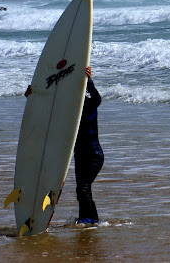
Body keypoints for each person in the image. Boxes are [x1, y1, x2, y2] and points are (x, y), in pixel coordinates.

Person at [75, 66, 104, 225]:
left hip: (94, 155)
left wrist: (88, 81)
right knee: (82, 190)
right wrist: (32, 97)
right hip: (79, 155)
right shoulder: (67, 113)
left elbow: (97, 99)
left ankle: (86, 221)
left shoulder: (89, 105)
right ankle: (92, 221)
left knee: (83, 188)